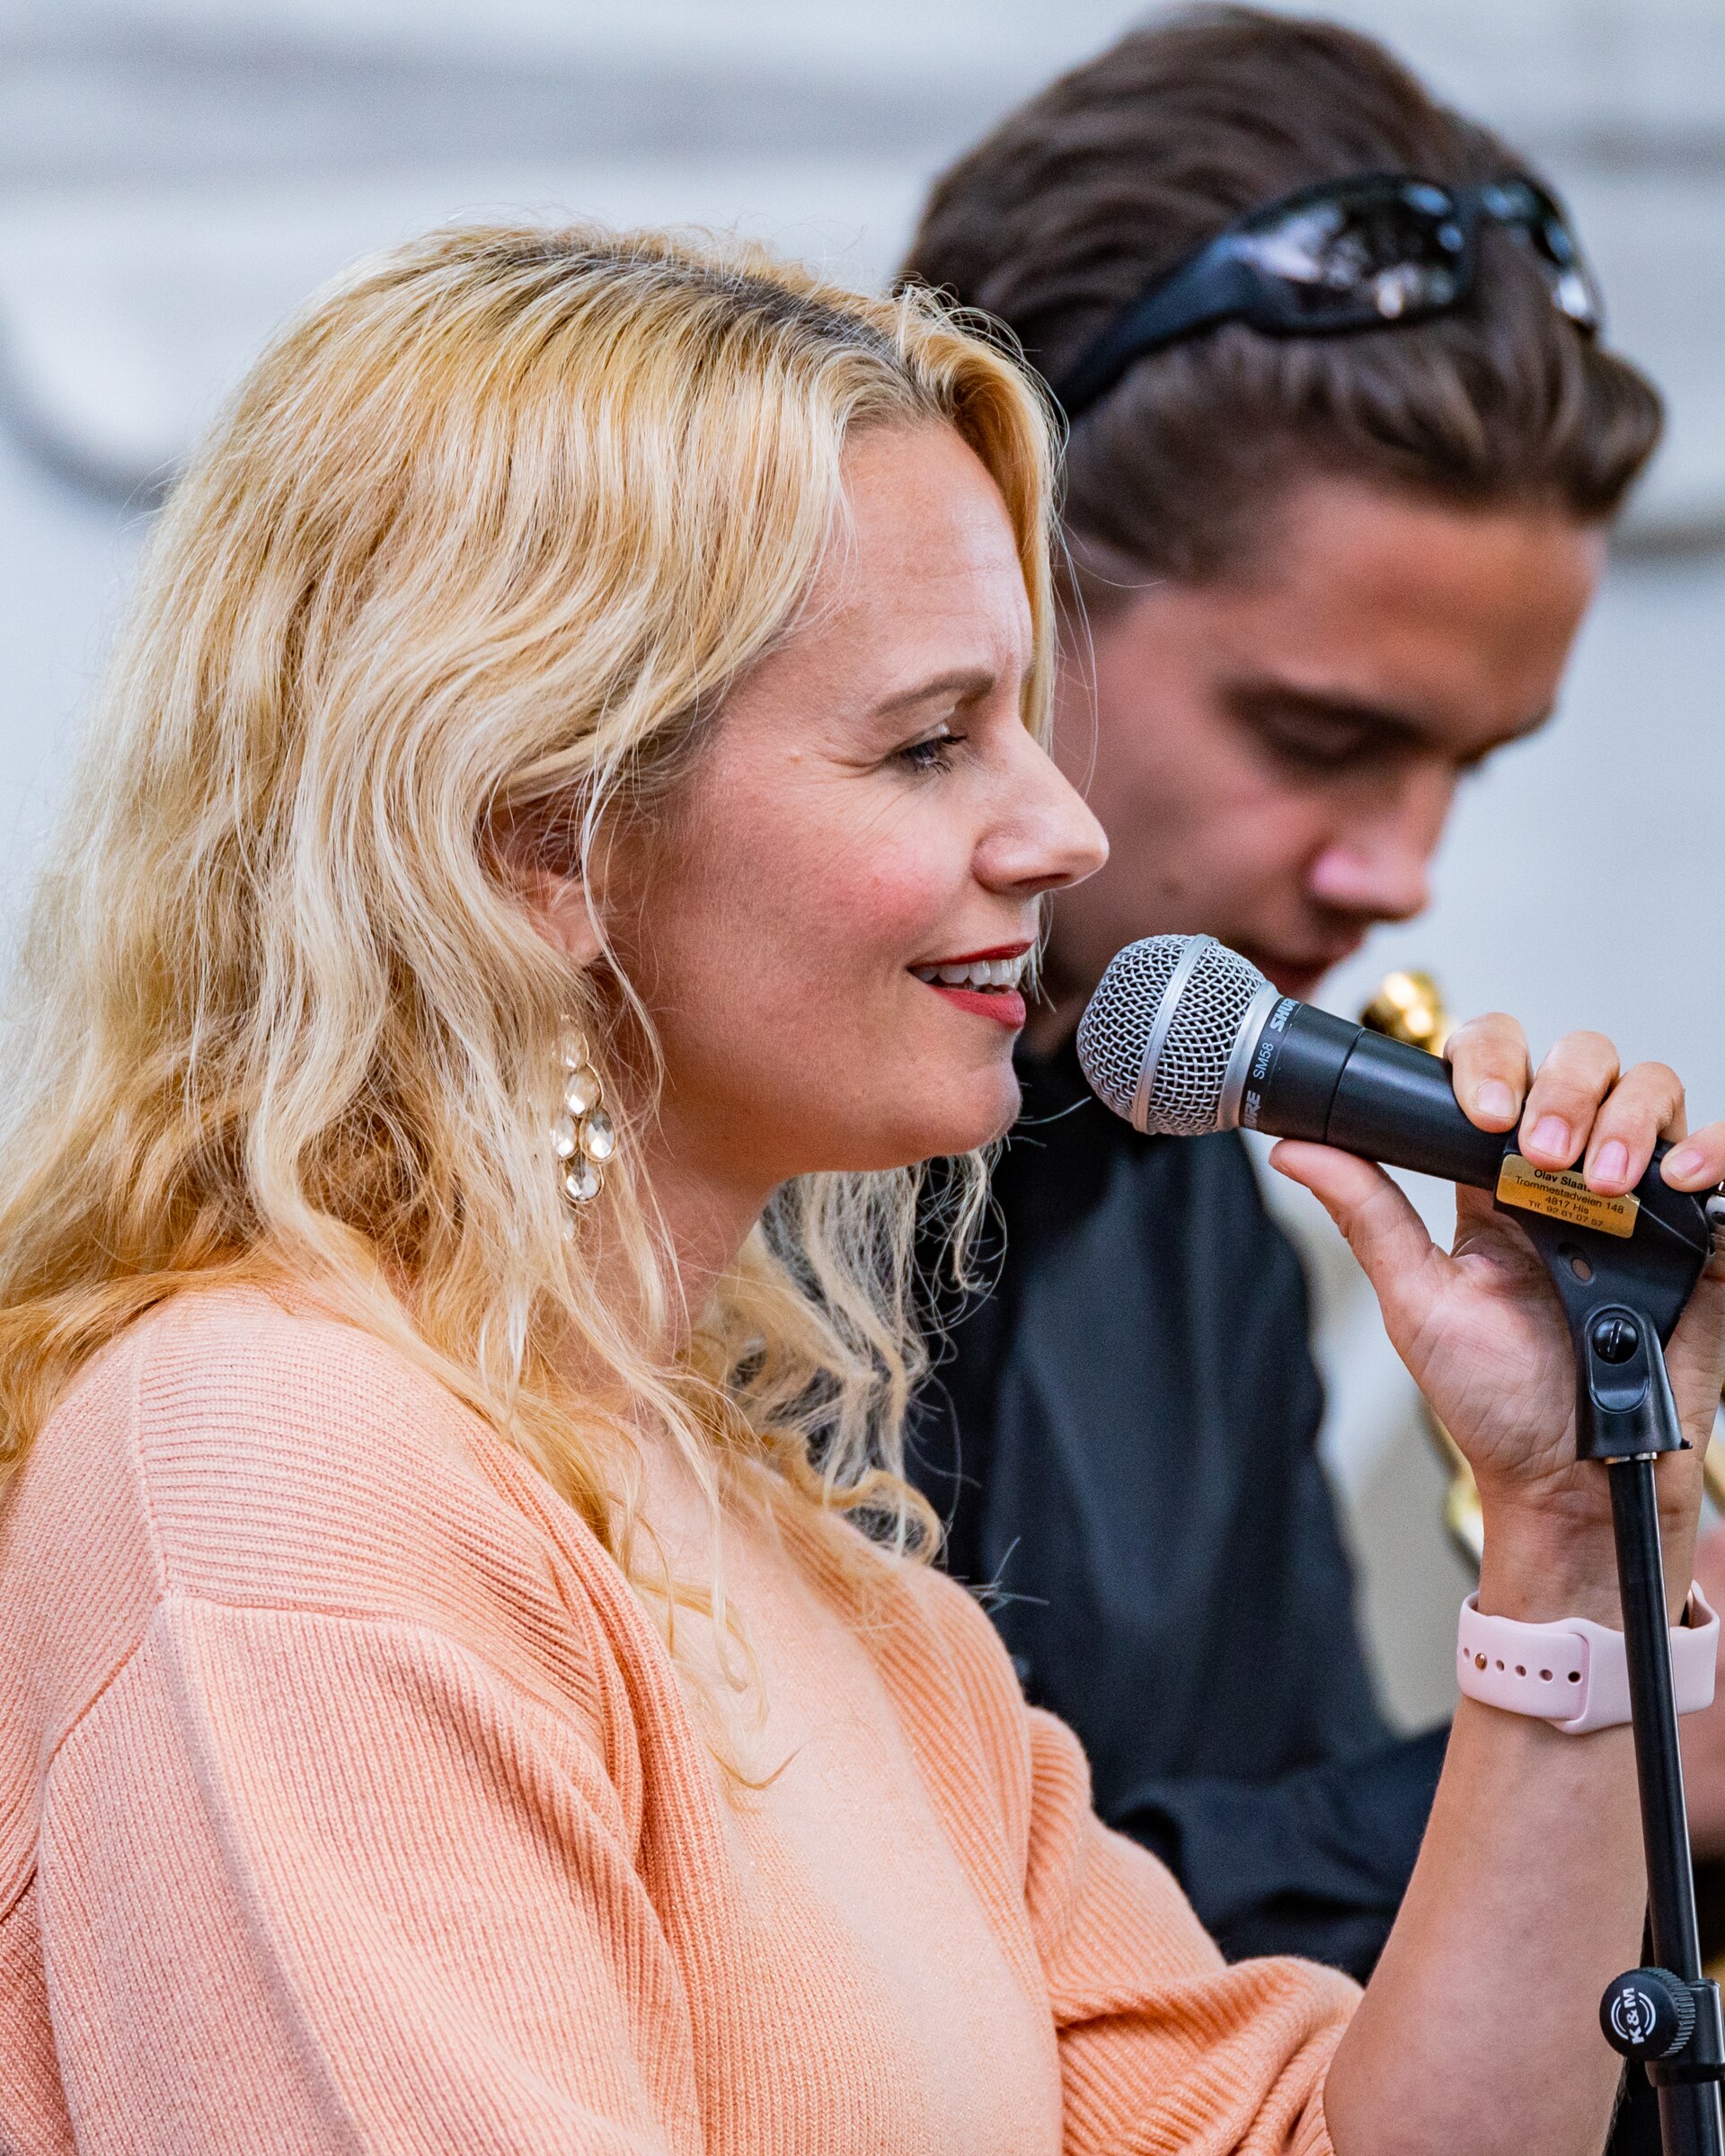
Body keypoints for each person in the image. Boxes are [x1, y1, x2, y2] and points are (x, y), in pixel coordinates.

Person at [0, 218, 1722, 2156]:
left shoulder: (837, 1589)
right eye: (927, 744)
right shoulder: (281, 1463)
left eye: (1022, 713)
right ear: (537, 842)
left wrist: (1574, 1538)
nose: (1061, 826)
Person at [898, 4, 1680, 1983]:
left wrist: (1605, 1632)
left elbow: (1287, 2022)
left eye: (1466, 766)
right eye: (1316, 733)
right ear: (996, 573)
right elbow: (899, 1972)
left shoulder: (1194, 1191)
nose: (1398, 873)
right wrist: (1642, 1757)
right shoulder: (662, 1191)